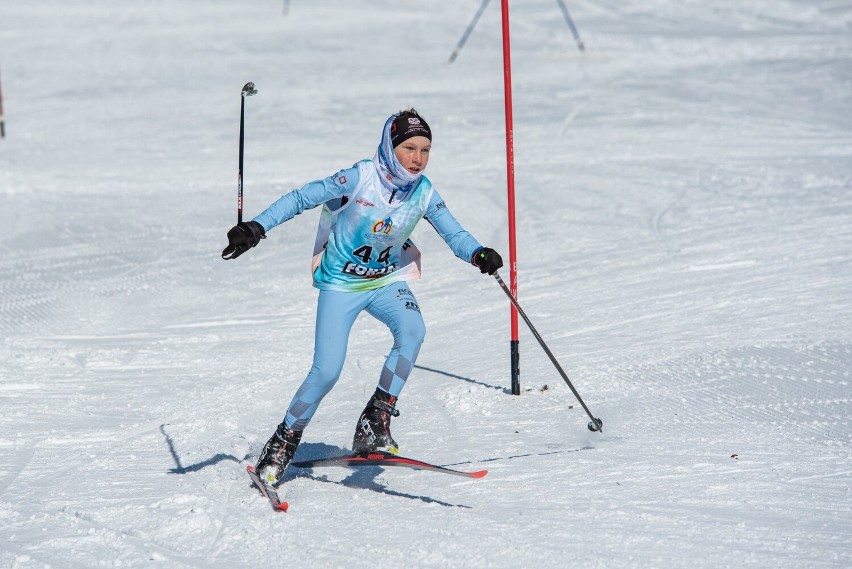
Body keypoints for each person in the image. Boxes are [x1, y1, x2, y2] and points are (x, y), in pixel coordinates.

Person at [222, 108, 503, 485]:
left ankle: (376, 418)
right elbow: (303, 197)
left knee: (413, 331)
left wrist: (478, 252)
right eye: (408, 148)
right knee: (326, 371)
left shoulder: (423, 192)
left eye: (425, 150)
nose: (417, 159)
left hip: (386, 280)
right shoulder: (359, 178)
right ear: (390, 146)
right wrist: (256, 227)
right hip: (341, 284)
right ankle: (283, 440)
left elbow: (455, 234)